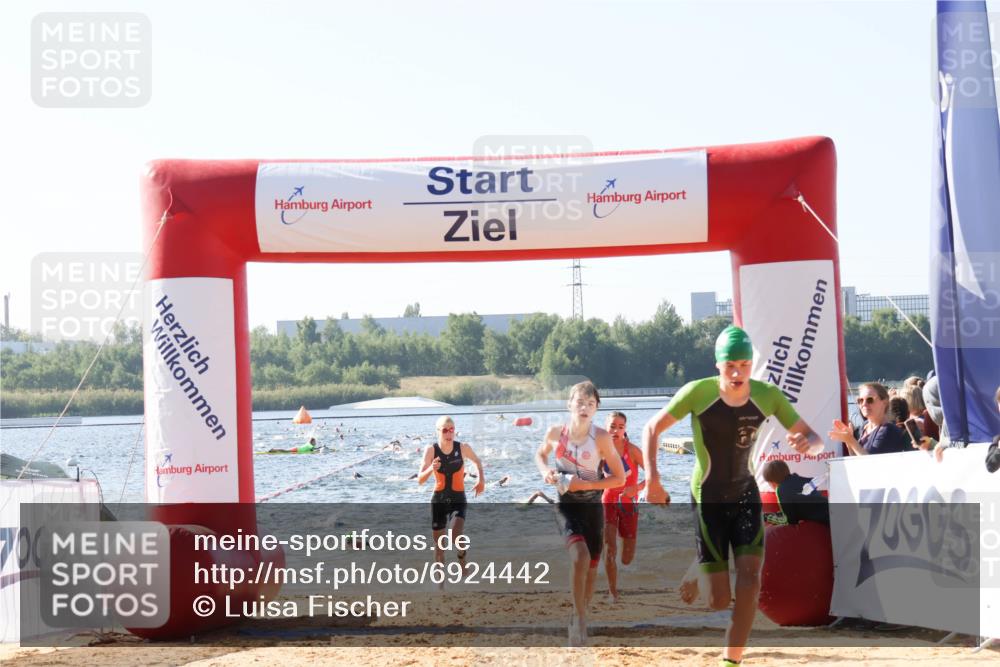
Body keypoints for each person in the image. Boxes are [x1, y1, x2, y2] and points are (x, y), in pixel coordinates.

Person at [642, 325, 823, 667]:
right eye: (730, 366)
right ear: (718, 367)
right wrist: (653, 478)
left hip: (745, 493)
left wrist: (808, 443)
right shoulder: (698, 393)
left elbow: (813, 438)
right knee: (717, 601)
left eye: (743, 364)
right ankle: (699, 566)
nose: (738, 373)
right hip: (707, 495)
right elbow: (652, 428)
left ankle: (731, 662)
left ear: (752, 363)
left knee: (751, 581)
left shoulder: (767, 395)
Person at [535, 381, 625, 647]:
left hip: (593, 508)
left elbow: (619, 478)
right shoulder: (555, 433)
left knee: (591, 569)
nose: (584, 407)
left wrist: (586, 484)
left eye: (591, 403)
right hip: (566, 505)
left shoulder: (601, 438)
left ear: (596, 408)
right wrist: (545, 472)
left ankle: (580, 612)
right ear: (569, 404)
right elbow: (540, 454)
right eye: (580, 402)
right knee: (580, 556)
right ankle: (579, 618)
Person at [417, 416, 485, 582]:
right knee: (439, 546)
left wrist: (481, 480)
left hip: (458, 498)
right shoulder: (431, 450)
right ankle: (441, 585)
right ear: (438, 431)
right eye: (445, 430)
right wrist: (431, 469)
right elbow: (420, 479)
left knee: (456, 536)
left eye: (451, 429)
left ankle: (462, 559)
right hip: (438, 500)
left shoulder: (462, 447)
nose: (449, 433)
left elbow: (477, 461)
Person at [601, 411, 645, 604]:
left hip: (629, 505)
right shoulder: (600, 451)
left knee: (626, 558)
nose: (615, 430)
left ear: (625, 429)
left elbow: (654, 474)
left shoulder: (633, 451)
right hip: (608, 502)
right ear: (606, 428)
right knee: (609, 549)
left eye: (620, 427)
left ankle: (621, 541)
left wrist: (638, 487)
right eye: (612, 426)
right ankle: (613, 592)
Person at [829, 383, 909, 456]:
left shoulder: (888, 430)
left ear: (884, 402)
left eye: (870, 400)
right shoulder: (864, 426)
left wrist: (851, 440)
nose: (864, 404)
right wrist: (849, 443)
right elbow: (855, 460)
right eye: (860, 400)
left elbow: (870, 464)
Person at [760, 460, 829, 526]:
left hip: (827, 520)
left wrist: (766, 517)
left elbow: (789, 521)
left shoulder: (781, 490)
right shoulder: (796, 479)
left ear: (772, 483)